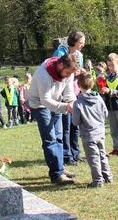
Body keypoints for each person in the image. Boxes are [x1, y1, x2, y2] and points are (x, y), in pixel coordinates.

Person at [28, 54, 79, 185]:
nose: (68, 76)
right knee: (50, 139)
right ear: (61, 65)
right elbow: (45, 101)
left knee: (59, 137)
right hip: (40, 105)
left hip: (56, 103)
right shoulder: (43, 74)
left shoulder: (69, 71)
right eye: (67, 73)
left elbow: (68, 92)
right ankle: (56, 175)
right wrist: (66, 107)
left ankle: (60, 168)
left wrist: (72, 102)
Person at [72, 72, 113, 187]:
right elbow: (105, 113)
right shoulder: (99, 98)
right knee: (102, 154)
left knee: (93, 158)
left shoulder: (78, 103)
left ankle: (98, 180)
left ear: (78, 86)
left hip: (88, 135)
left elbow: (75, 121)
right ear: (92, 85)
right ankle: (107, 176)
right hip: (100, 132)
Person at [53, 31, 85, 167]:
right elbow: (56, 72)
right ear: (73, 41)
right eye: (81, 42)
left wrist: (80, 72)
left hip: (75, 92)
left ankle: (76, 153)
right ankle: (67, 155)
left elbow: (77, 70)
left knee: (75, 124)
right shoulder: (60, 54)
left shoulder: (80, 55)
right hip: (63, 94)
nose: (83, 45)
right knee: (65, 126)